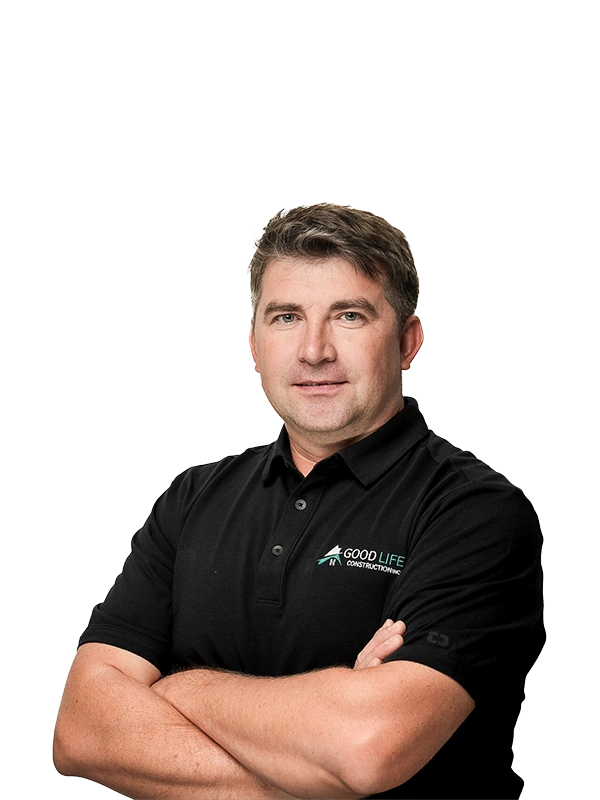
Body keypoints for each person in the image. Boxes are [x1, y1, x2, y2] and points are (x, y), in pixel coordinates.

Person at [53, 202, 545, 799]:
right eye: (286, 317)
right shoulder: (193, 498)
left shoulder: (475, 513)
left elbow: (365, 749)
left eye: (349, 316)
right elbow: (82, 731)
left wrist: (181, 689)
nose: (314, 350)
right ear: (255, 345)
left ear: (407, 340)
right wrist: (320, 756)